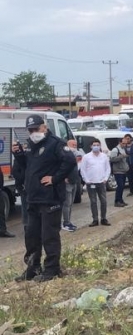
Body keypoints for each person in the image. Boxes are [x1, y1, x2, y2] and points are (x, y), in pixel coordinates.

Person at [11, 115, 76, 282]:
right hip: (33, 197)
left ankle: (52, 269)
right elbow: (27, 167)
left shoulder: (56, 143)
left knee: (49, 235)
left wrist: (54, 179)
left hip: (50, 198)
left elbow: (69, 162)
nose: (33, 133)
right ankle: (33, 267)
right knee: (31, 235)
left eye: (36, 129)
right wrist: (18, 154)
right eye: (30, 130)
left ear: (44, 127)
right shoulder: (30, 144)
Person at [79, 139, 112, 227]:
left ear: (100, 146)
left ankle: (104, 218)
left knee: (103, 201)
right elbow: (83, 169)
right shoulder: (86, 157)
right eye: (94, 145)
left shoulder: (104, 156)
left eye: (97, 145)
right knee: (93, 201)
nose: (96, 146)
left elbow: (108, 168)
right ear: (91, 146)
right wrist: (86, 180)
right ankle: (95, 219)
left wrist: (105, 178)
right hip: (91, 183)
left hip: (101, 182)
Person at [61, 140, 83, 232]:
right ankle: (65, 222)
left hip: (74, 181)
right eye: (72, 145)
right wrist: (63, 178)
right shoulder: (64, 155)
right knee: (67, 204)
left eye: (75, 145)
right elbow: (61, 167)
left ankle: (68, 221)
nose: (74, 146)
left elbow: (80, 155)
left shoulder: (75, 154)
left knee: (70, 204)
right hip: (67, 182)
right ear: (67, 145)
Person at [109, 136, 130, 208]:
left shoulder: (123, 149)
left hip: (123, 170)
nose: (125, 145)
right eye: (123, 143)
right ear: (120, 142)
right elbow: (112, 160)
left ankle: (121, 200)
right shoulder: (115, 150)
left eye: (125, 144)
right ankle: (117, 201)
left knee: (122, 186)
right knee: (120, 186)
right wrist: (121, 156)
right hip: (118, 171)